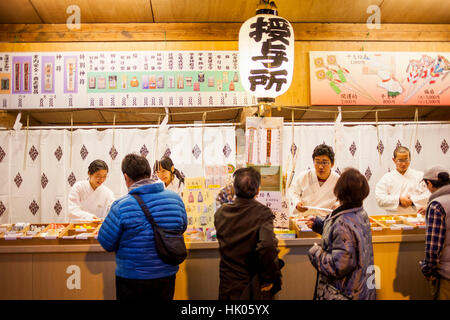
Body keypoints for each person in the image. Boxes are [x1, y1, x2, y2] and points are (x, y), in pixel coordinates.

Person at [97, 153, 187, 300]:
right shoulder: (175, 199)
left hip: (132, 278)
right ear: (149, 173)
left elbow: (106, 242)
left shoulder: (121, 205)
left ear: (126, 177)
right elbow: (181, 228)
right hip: (166, 275)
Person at [214, 167, 284, 300]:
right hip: (252, 286)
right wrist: (268, 278)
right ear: (258, 189)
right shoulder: (262, 213)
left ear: (234, 189)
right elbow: (267, 246)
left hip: (227, 285)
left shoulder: (221, 213)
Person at [307, 168, 376, 300]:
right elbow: (347, 241)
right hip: (361, 287)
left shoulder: (342, 222)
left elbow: (338, 266)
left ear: (341, 191)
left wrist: (315, 252)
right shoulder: (360, 213)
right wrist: (320, 225)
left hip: (344, 292)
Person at [419, 165, 450, 300]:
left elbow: (433, 246)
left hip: (445, 273)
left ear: (430, 184)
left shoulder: (436, 206)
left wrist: (427, 269)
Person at [288, 143, 340, 216]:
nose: (320, 166)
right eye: (317, 162)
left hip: (325, 220)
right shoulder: (304, 176)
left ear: (332, 164)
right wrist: (297, 203)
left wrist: (337, 205)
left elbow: (343, 200)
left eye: (324, 162)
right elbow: (293, 192)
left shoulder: (338, 180)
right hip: (303, 217)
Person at [375, 146, 430, 214]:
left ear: (410, 159)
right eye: (400, 160)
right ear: (394, 160)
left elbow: (429, 194)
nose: (403, 164)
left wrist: (412, 200)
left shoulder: (420, 176)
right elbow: (380, 199)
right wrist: (398, 199)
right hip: (393, 219)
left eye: (406, 160)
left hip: (417, 218)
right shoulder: (387, 178)